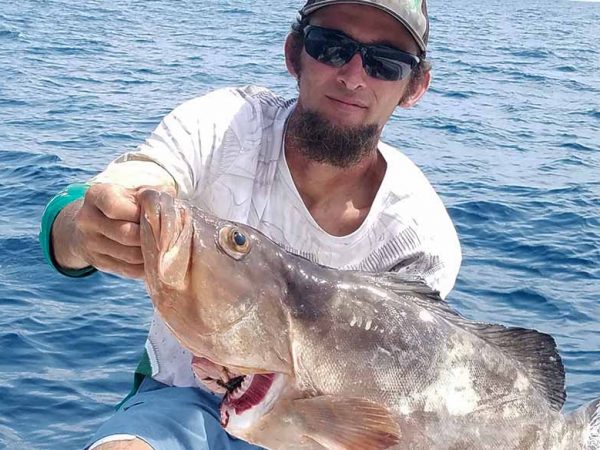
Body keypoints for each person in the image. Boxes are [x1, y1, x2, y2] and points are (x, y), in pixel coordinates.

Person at [40, 0, 461, 449]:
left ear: (414, 87)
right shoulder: (226, 125)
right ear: (293, 53)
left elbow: (387, 415)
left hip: (324, 429)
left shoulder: (421, 239)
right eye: (332, 46)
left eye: (386, 63)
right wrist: (88, 227)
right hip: (185, 398)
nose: (354, 76)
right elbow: (131, 183)